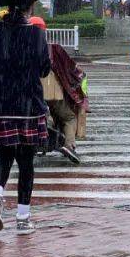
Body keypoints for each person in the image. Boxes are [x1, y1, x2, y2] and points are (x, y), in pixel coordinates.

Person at [0, 1, 52, 235]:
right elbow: (44, 69)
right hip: (28, 107)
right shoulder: (36, 34)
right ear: (29, 8)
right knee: (26, 163)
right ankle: (22, 218)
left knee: (3, 158)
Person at [29, 15, 88, 164]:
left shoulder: (20, 48)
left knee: (41, 116)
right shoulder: (53, 48)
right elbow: (70, 68)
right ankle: (69, 145)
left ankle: (42, 138)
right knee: (69, 117)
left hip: (31, 92)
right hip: (53, 90)